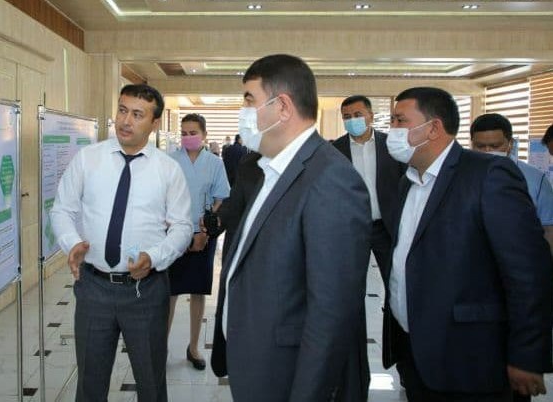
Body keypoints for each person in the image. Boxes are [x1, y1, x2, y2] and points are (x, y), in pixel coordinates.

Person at [211, 54, 371, 401]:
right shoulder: (269, 169)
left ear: (282, 107)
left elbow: (330, 315)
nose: (244, 111)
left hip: (286, 375)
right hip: (257, 362)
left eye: (249, 100)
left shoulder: (330, 179)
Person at [382, 87, 553, 401]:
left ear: (433, 128)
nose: (391, 129)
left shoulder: (488, 175)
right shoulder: (408, 181)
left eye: (400, 120)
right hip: (415, 352)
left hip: (471, 358)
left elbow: (528, 272)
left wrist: (527, 354)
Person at [50, 84, 193, 402]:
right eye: (122, 110)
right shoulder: (88, 159)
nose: (126, 121)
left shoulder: (168, 170)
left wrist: (153, 257)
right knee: (90, 383)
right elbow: (62, 210)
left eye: (138, 114)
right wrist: (72, 243)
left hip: (146, 291)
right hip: (93, 287)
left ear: (154, 123)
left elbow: (182, 227)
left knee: (151, 384)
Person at [167, 113, 230, 370]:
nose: (188, 138)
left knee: (198, 291)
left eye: (193, 133)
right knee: (170, 292)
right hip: (174, 234)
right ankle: (161, 346)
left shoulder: (214, 163)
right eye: (184, 133)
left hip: (203, 235)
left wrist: (205, 229)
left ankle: (193, 347)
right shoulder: (171, 161)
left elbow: (220, 197)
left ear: (204, 135)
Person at [332, 95, 406, 276]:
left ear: (371, 116)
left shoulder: (391, 145)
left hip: (386, 227)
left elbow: (405, 182)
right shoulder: (335, 150)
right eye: (347, 117)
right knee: (351, 280)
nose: (352, 120)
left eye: (358, 115)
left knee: (393, 277)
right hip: (352, 228)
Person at [470, 113, 553, 253]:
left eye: (495, 146)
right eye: (480, 146)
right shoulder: (460, 174)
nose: (487, 151)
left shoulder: (535, 179)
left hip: (520, 257)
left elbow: (548, 229)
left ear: (510, 143)